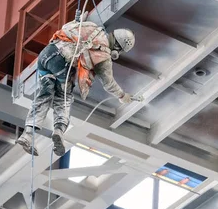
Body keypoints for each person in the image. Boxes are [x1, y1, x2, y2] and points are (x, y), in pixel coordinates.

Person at [16, 18, 139, 156]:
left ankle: (27, 134)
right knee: (63, 98)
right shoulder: (104, 56)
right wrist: (123, 96)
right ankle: (59, 131)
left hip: (46, 55)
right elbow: (108, 83)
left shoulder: (91, 26)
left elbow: (67, 26)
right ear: (118, 48)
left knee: (44, 95)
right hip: (62, 64)